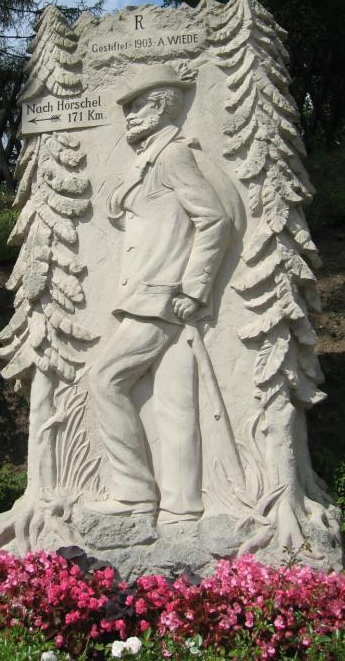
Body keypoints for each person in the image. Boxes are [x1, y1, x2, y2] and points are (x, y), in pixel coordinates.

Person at [85, 64, 236, 524]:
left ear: (162, 105)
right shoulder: (149, 157)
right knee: (174, 403)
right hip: (154, 294)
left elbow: (214, 220)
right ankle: (182, 505)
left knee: (106, 381)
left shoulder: (171, 155)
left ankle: (134, 492)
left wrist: (194, 287)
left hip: (159, 296)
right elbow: (117, 208)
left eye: (136, 106)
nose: (128, 115)